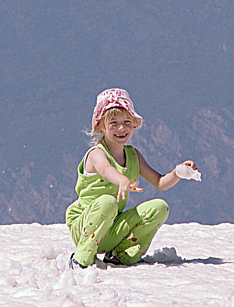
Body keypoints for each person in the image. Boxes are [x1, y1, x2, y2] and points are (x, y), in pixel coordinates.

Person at [65, 88, 198, 269]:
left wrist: (178, 173)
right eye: (114, 123)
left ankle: (122, 254)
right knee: (107, 202)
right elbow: (105, 169)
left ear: (134, 124)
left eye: (127, 122)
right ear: (100, 127)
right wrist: (121, 180)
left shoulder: (133, 155)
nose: (121, 128)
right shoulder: (96, 153)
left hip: (111, 227)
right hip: (85, 228)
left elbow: (159, 182)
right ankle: (81, 258)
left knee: (159, 207)